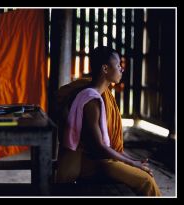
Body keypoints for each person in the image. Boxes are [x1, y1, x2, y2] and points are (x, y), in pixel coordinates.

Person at [55, 46, 161, 196]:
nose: (121, 70)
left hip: (97, 159)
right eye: (118, 66)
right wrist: (132, 163)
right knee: (146, 180)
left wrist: (133, 160)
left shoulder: (95, 94)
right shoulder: (91, 100)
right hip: (91, 164)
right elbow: (100, 146)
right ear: (105, 68)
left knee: (142, 173)